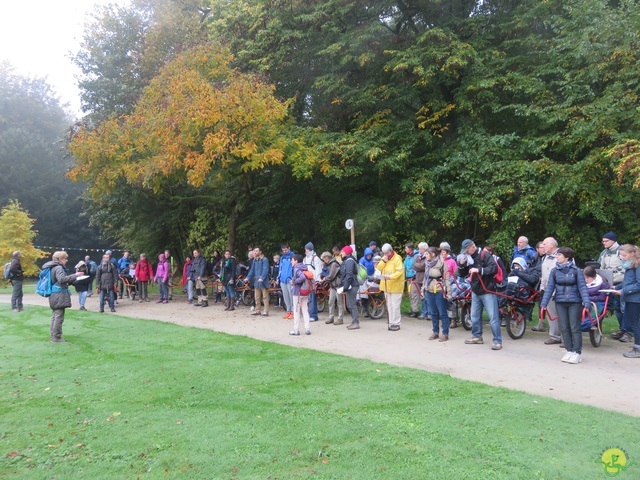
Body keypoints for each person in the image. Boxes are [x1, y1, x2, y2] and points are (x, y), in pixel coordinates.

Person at [539, 247, 590, 364]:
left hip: (575, 302)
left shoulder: (577, 271)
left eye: (559, 255)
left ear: (567, 257)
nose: (557, 257)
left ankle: (577, 352)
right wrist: (544, 303)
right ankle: (569, 350)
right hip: (560, 302)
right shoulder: (554, 271)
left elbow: (582, 288)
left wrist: (586, 303)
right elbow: (549, 288)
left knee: (574, 327)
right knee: (564, 327)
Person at [457, 239, 503, 350]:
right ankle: (477, 336)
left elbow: (494, 268)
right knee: (474, 316)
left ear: (472, 247)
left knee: (493, 317)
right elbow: (462, 274)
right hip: (475, 291)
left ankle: (497, 341)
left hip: (487, 290)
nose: (465, 253)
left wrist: (479, 270)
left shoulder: (485, 255)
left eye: (466, 250)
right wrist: (462, 265)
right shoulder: (468, 258)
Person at [42, 251, 82, 342]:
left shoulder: (53, 267)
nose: (66, 260)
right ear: (60, 259)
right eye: (65, 258)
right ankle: (56, 337)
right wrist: (75, 275)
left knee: (55, 316)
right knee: (59, 317)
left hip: (54, 294)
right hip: (58, 295)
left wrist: (72, 280)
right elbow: (62, 279)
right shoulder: (58, 268)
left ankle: (53, 336)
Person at [612, 244, 640, 358]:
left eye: (625, 255)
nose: (623, 257)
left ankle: (637, 349)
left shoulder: (637, 266)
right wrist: (617, 287)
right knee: (631, 323)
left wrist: (624, 291)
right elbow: (628, 282)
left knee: (634, 324)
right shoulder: (631, 266)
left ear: (632, 254)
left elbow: (638, 284)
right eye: (621, 255)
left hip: (636, 300)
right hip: (631, 298)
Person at [599, 232, 626, 340]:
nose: (604, 243)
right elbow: (601, 267)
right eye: (603, 241)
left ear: (613, 240)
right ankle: (622, 330)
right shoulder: (604, 253)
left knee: (623, 308)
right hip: (609, 285)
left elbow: (626, 267)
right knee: (614, 308)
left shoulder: (622, 251)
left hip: (621, 284)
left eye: (606, 241)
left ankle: (626, 331)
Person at [536, 237, 563, 344]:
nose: (543, 246)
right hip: (548, 290)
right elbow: (544, 275)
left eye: (545, 244)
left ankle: (565, 337)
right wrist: (542, 288)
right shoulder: (545, 258)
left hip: (560, 290)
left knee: (562, 314)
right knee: (551, 314)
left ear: (552, 245)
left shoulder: (562, 255)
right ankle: (554, 336)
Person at [423, 247, 452, 342]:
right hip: (429, 290)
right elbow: (425, 278)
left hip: (439, 290)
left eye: (427, 253)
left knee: (443, 313)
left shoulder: (442, 264)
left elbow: (447, 279)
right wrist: (424, 289)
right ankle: (435, 332)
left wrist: (449, 292)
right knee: (433, 313)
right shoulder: (427, 264)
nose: (425, 255)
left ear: (433, 254)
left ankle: (445, 333)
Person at [377, 243, 405, 331]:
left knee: (395, 305)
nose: (386, 255)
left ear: (391, 251)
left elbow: (400, 272)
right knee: (389, 305)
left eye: (387, 253)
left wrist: (391, 277)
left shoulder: (397, 258)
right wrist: (384, 261)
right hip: (386, 285)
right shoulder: (384, 258)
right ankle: (391, 321)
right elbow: (379, 268)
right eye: (384, 253)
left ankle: (396, 323)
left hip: (395, 285)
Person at [290, 254, 312, 335]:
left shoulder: (296, 268)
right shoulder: (304, 267)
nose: (291, 261)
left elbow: (302, 277)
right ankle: (307, 328)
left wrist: (294, 281)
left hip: (298, 292)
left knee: (296, 310)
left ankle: (296, 330)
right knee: (305, 310)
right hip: (305, 291)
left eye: (292, 260)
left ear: (296, 261)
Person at [340, 245, 360, 330]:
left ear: (347, 252)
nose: (341, 253)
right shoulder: (347, 260)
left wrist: (345, 287)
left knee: (351, 304)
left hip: (352, 285)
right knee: (349, 304)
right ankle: (354, 321)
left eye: (343, 252)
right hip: (350, 285)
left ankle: (356, 322)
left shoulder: (349, 261)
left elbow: (349, 275)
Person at [246, 246, 270, 316]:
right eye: (254, 251)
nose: (255, 252)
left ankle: (266, 311)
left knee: (265, 297)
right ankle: (258, 310)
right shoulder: (255, 260)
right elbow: (252, 270)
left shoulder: (264, 259)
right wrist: (247, 277)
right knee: (257, 297)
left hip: (263, 282)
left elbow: (265, 270)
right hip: (256, 282)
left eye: (256, 251)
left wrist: (262, 278)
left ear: (260, 252)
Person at [303, 242, 323, 322]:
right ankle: (308, 314)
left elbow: (318, 270)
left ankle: (314, 315)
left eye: (307, 249)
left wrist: (317, 281)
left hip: (313, 281)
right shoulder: (305, 259)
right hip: (306, 280)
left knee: (312, 298)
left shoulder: (315, 258)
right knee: (308, 299)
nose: (306, 250)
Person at [324, 250, 343, 326]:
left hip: (338, 285)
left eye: (324, 258)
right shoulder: (330, 264)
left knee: (339, 302)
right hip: (333, 285)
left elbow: (331, 275)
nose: (324, 260)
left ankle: (340, 318)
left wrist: (325, 279)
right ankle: (331, 317)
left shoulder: (334, 264)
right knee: (330, 302)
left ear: (327, 258)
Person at [278, 243, 295, 319]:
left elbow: (295, 268)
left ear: (289, 248)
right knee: (285, 296)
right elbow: (280, 269)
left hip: (290, 279)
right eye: (283, 250)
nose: (284, 251)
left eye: (285, 250)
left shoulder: (293, 256)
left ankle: (293, 312)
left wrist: (293, 278)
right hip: (283, 279)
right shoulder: (282, 258)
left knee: (292, 296)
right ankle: (288, 311)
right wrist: (278, 278)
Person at [412, 242, 428, 320]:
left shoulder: (427, 256)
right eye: (419, 248)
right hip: (418, 279)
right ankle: (424, 313)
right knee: (422, 297)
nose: (419, 250)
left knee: (427, 297)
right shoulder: (417, 256)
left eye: (420, 248)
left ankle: (429, 313)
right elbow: (413, 265)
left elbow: (423, 266)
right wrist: (418, 265)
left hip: (425, 279)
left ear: (424, 249)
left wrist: (417, 265)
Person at [404, 242, 420, 317]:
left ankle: (415, 310)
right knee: (410, 294)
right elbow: (404, 265)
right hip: (408, 277)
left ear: (410, 249)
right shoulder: (407, 257)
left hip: (414, 278)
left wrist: (414, 275)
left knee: (414, 294)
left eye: (406, 248)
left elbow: (417, 267)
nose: (405, 250)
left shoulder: (416, 256)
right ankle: (413, 308)